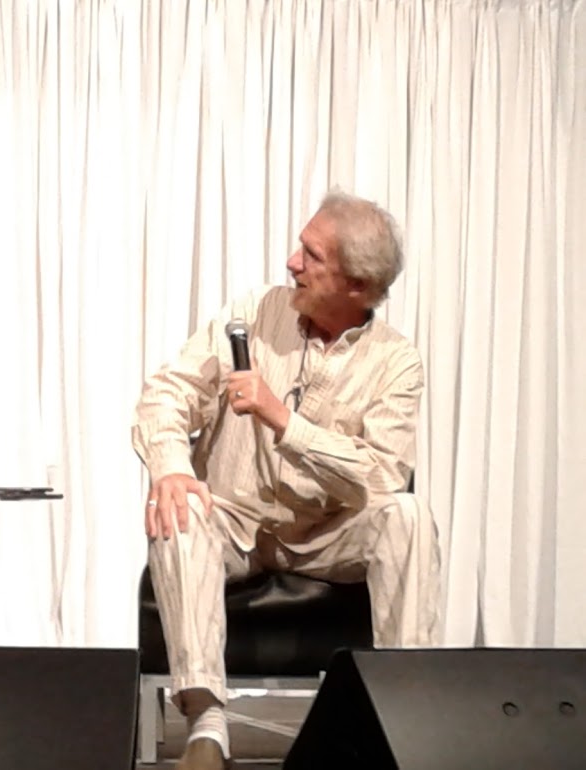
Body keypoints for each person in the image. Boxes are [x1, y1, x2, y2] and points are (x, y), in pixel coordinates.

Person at [131, 191, 441, 770]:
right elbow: (168, 393)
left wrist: (284, 421)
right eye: (300, 247)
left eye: (311, 255)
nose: (292, 262)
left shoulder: (396, 361)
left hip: (327, 533)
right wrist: (170, 464)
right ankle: (207, 726)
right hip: (235, 519)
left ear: (356, 284)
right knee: (180, 507)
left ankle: (404, 717)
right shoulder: (254, 311)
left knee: (408, 515)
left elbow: (382, 475)